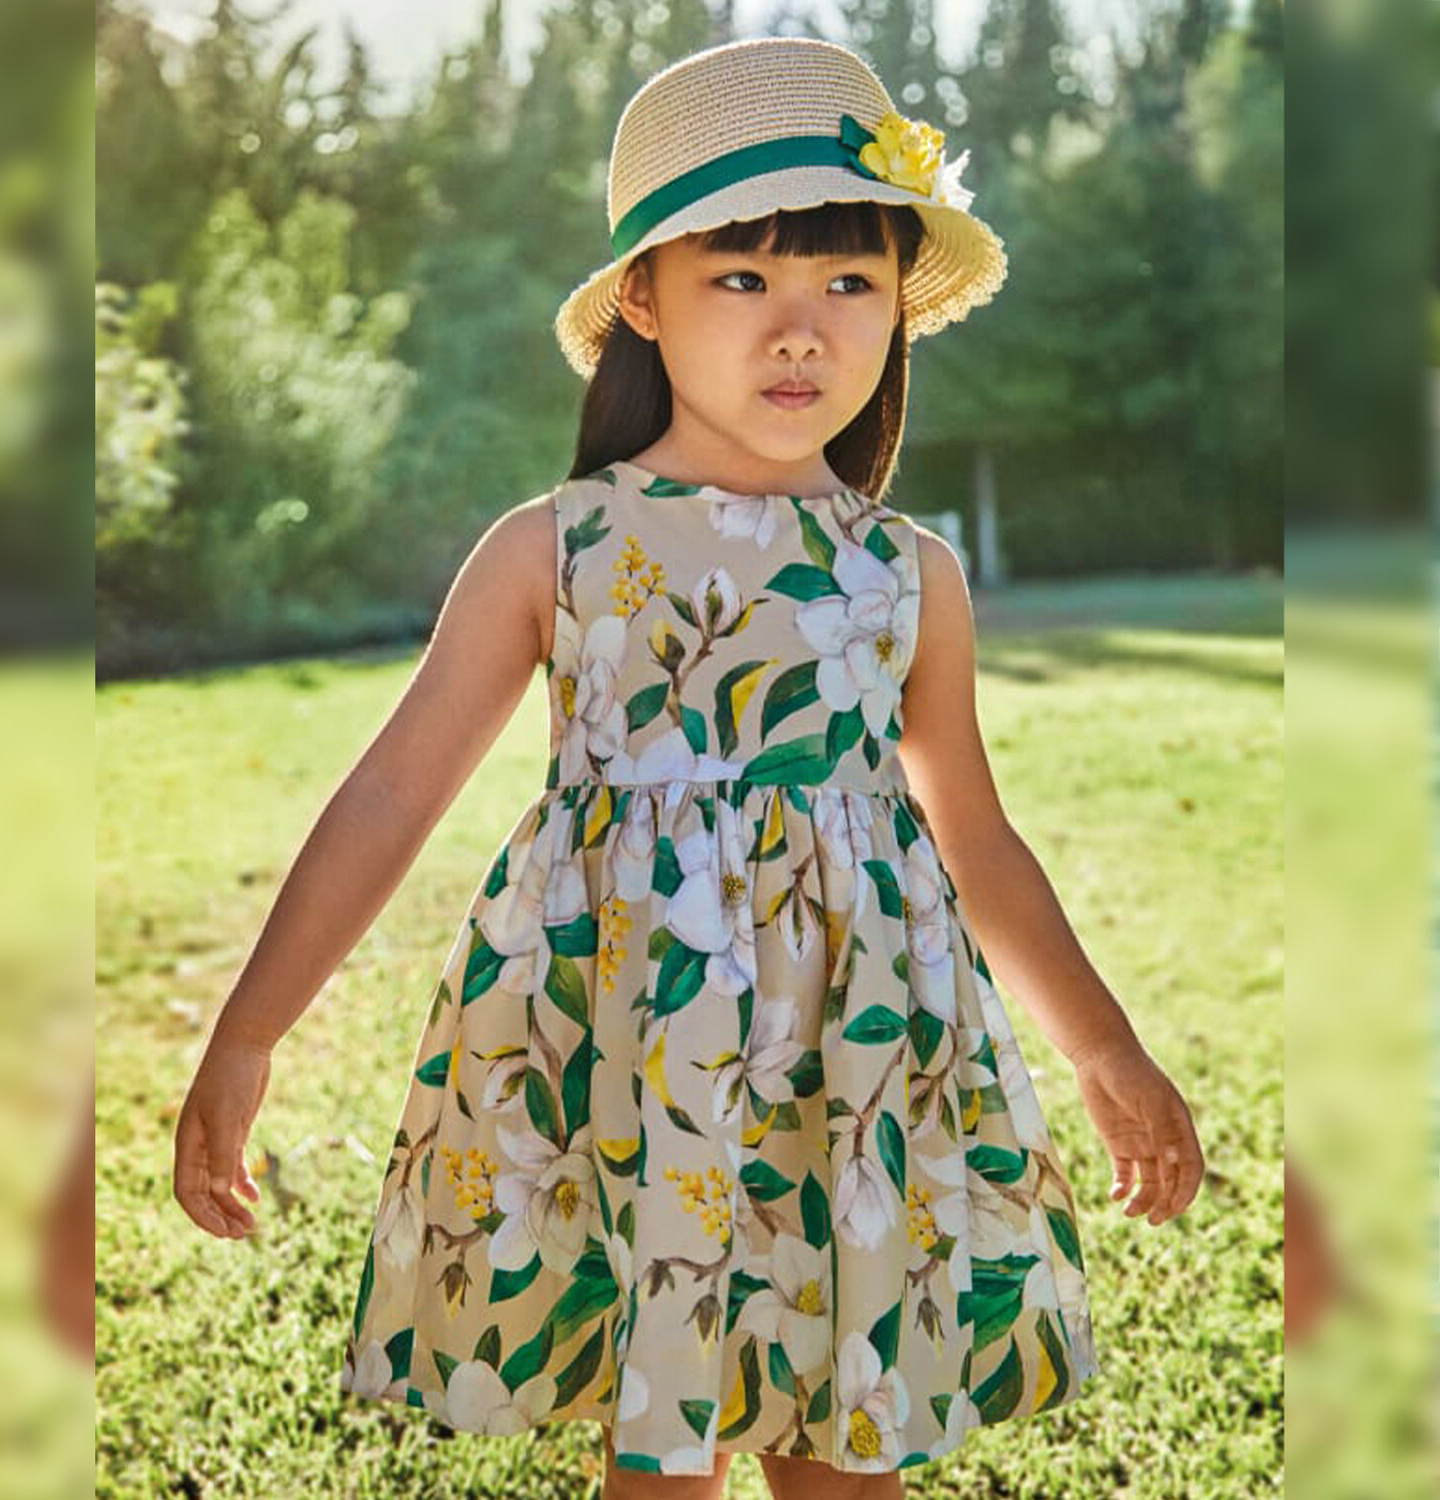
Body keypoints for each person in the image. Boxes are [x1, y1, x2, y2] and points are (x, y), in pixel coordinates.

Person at [173, 35, 1205, 1500]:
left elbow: (974, 835)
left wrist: (1104, 1049)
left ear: (898, 305)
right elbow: (394, 794)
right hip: (633, 1057)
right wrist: (251, 1031)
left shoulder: (906, 573)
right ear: (644, 301)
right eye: (741, 279)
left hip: (847, 1071)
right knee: (660, 1458)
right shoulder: (560, 548)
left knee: (846, 1448)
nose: (801, 332)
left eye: (848, 282)